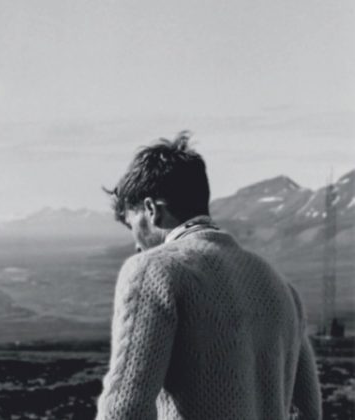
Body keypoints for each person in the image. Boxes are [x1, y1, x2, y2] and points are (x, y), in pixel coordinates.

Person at [95, 132, 321, 420]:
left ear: (152, 210)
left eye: (133, 226)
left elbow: (125, 410)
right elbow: (308, 411)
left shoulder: (154, 270)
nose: (137, 245)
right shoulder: (280, 286)